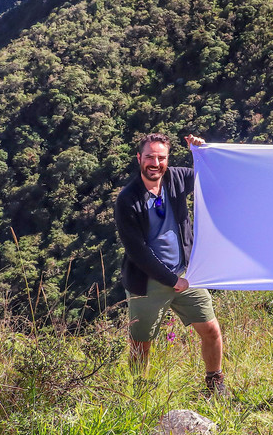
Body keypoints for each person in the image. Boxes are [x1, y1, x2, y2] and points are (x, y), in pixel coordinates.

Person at [114, 132, 228, 397]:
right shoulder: (127, 200)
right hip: (148, 281)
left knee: (210, 330)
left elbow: (211, 174)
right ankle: (138, 396)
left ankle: (215, 385)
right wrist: (171, 280)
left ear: (167, 159)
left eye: (161, 157)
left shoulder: (176, 177)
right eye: (149, 157)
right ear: (139, 158)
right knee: (141, 343)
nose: (155, 163)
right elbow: (137, 251)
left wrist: (202, 151)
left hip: (185, 275)